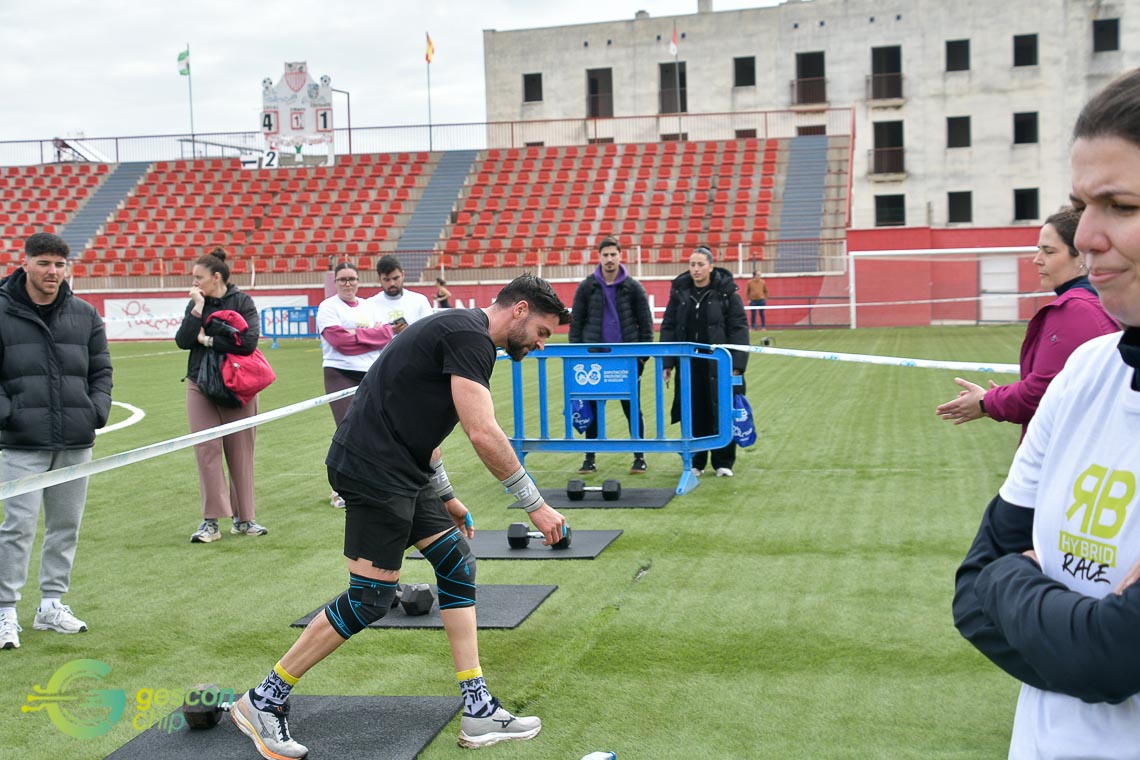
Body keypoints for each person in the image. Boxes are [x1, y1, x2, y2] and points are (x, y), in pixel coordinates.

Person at [230, 275, 572, 758]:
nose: (540, 343)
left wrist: (446, 495)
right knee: (370, 598)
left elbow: (421, 420)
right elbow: (482, 431)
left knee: (456, 562)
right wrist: (534, 504)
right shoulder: (470, 337)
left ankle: (478, 709)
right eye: (541, 331)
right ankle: (264, 699)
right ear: (519, 310)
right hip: (371, 468)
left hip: (404, 471)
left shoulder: (461, 332)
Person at [953, 68, 1140, 759]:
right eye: (1082, 205)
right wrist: (1073, 625)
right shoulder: (1088, 374)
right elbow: (970, 595)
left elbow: (1110, 657)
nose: (1086, 235)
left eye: (1120, 205)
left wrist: (1013, 579)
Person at [0, 233, 112, 650]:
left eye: (59, 264)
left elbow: (101, 370)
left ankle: (51, 604)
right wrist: (9, 414)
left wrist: (94, 410)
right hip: (21, 441)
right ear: (25, 264)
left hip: (75, 440)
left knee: (65, 526)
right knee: (17, 528)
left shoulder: (84, 314)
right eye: (44, 263)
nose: (52, 272)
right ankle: (5, 610)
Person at [936, 207, 1117, 440]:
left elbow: (1043, 393)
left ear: (1082, 256)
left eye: (1048, 251)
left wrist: (985, 401)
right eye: (1038, 250)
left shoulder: (1075, 309)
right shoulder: (1108, 300)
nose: (1037, 260)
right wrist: (1003, 396)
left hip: (1073, 446)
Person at [174, 248, 267, 543]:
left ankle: (245, 519)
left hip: (238, 386)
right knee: (206, 450)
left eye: (198, 277)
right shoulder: (196, 303)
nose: (194, 283)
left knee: (241, 452)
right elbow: (183, 341)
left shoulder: (243, 301)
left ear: (216, 277)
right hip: (200, 384)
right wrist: (198, 308)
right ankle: (210, 522)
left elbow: (248, 343)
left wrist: (209, 341)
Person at [659, 245, 749, 478]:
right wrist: (667, 362)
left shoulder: (726, 292)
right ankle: (696, 461)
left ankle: (723, 462)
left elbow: (738, 327)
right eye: (692, 264)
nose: (696, 269)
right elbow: (669, 327)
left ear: (711, 266)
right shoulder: (679, 292)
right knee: (692, 411)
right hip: (689, 364)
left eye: (700, 264)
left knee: (722, 410)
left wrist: (737, 365)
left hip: (720, 364)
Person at [569, 236, 654, 475]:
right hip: (595, 361)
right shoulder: (586, 287)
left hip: (626, 361)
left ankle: (639, 457)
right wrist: (579, 357)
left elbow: (646, 325)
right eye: (605, 255)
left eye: (613, 254)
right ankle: (589, 458)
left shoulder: (633, 287)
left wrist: (641, 359)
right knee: (592, 410)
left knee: (632, 408)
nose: (609, 259)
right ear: (599, 257)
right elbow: (576, 325)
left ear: (620, 256)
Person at [317, 262, 397, 508]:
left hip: (370, 373)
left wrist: (355, 334)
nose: (348, 284)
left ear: (358, 281)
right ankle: (340, 489)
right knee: (347, 430)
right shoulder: (328, 307)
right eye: (342, 279)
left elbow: (387, 334)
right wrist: (369, 336)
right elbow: (339, 342)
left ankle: (372, 483)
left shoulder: (369, 305)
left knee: (374, 429)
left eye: (352, 279)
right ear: (335, 282)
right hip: (339, 372)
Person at [370, 255, 433, 327]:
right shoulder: (370, 305)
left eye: (395, 278)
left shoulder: (420, 301)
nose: (392, 283)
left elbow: (429, 330)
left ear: (403, 275)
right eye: (387, 280)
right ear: (380, 279)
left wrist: (407, 331)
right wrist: (384, 331)